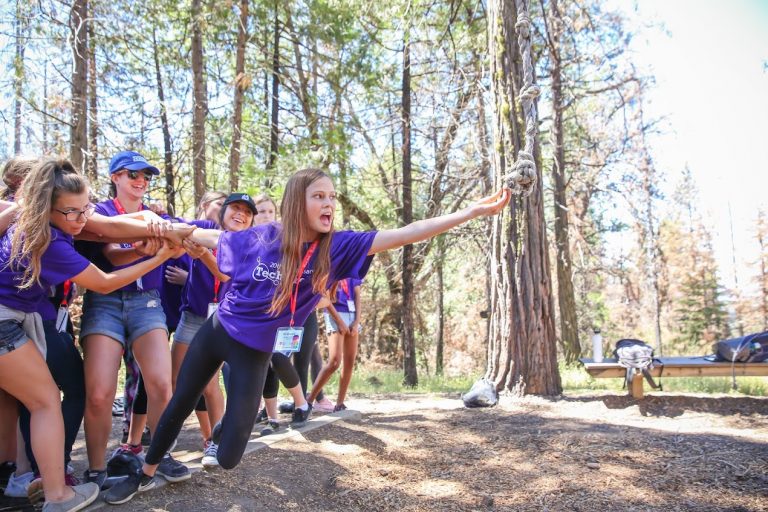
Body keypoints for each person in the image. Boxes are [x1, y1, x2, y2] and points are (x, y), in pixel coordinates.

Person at [104, 167, 510, 505]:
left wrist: (469, 213)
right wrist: (159, 226)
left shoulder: (340, 248)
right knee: (180, 401)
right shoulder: (263, 236)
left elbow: (408, 232)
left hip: (254, 352)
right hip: (218, 330)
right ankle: (146, 472)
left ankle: (228, 427)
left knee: (227, 458)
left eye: (332, 196)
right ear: (298, 202)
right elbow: (206, 237)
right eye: (319, 196)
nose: (329, 204)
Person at [0, 158, 182, 511]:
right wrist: (162, 255)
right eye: (74, 213)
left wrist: (157, 226)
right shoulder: (48, 241)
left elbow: (108, 227)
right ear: (46, 206)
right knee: (45, 401)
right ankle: (57, 494)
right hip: (5, 322)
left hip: (18, 320)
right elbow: (106, 280)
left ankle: (44, 482)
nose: (84, 219)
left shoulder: (49, 222)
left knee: (47, 397)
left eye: (86, 208)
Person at [78, 151, 190, 489]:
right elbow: (113, 256)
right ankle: (97, 470)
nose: (141, 181)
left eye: (146, 176)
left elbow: (182, 244)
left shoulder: (158, 215)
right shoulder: (100, 212)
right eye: (132, 174)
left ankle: (159, 455)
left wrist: (167, 240)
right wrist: (150, 248)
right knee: (99, 393)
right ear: (115, 177)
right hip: (106, 301)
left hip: (148, 302)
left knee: (160, 382)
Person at [172, 192, 253, 467]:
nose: (240, 214)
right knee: (177, 379)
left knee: (209, 383)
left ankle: (213, 442)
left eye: (247, 211)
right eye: (235, 208)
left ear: (251, 221)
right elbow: (180, 229)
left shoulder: (249, 245)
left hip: (222, 321)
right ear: (222, 212)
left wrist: (204, 255)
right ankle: (167, 441)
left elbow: (225, 275)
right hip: (193, 316)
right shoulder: (206, 229)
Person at [307, 278, 363, 412]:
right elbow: (325, 298)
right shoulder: (331, 268)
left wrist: (357, 321)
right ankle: (309, 401)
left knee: (350, 361)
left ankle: (340, 403)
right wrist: (339, 321)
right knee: (335, 361)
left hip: (352, 314)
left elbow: (358, 296)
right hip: (335, 315)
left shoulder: (353, 270)